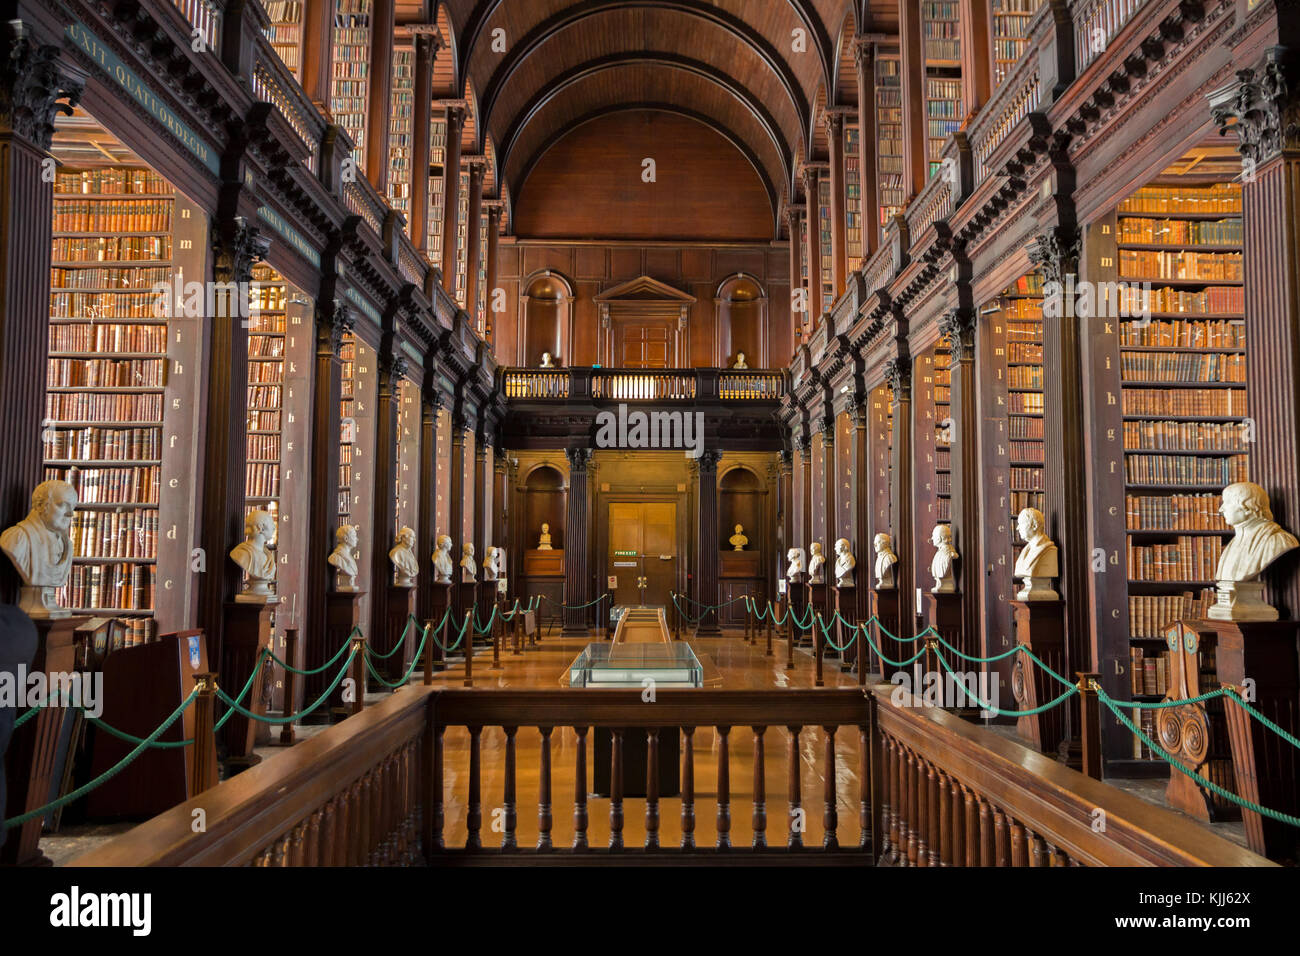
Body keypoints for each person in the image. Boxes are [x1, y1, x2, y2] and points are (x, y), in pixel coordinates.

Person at [1, 479, 78, 618]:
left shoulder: (67, 546)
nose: (70, 514)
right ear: (40, 505)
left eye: (72, 507)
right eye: (62, 505)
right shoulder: (17, 538)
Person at [1013, 508, 1059, 600]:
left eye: (1021, 523)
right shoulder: (1026, 550)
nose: (1017, 528)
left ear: (1034, 525)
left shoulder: (1049, 550)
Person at [230, 509, 276, 596]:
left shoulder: (268, 555)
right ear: (260, 528)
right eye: (271, 523)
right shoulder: (241, 553)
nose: (274, 527)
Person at [329, 524, 359, 589]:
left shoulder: (349, 556)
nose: (357, 539)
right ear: (346, 538)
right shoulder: (335, 557)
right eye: (354, 536)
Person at [930, 524, 958, 593]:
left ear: (940, 538)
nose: (932, 538)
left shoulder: (947, 553)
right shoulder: (939, 553)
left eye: (934, 535)